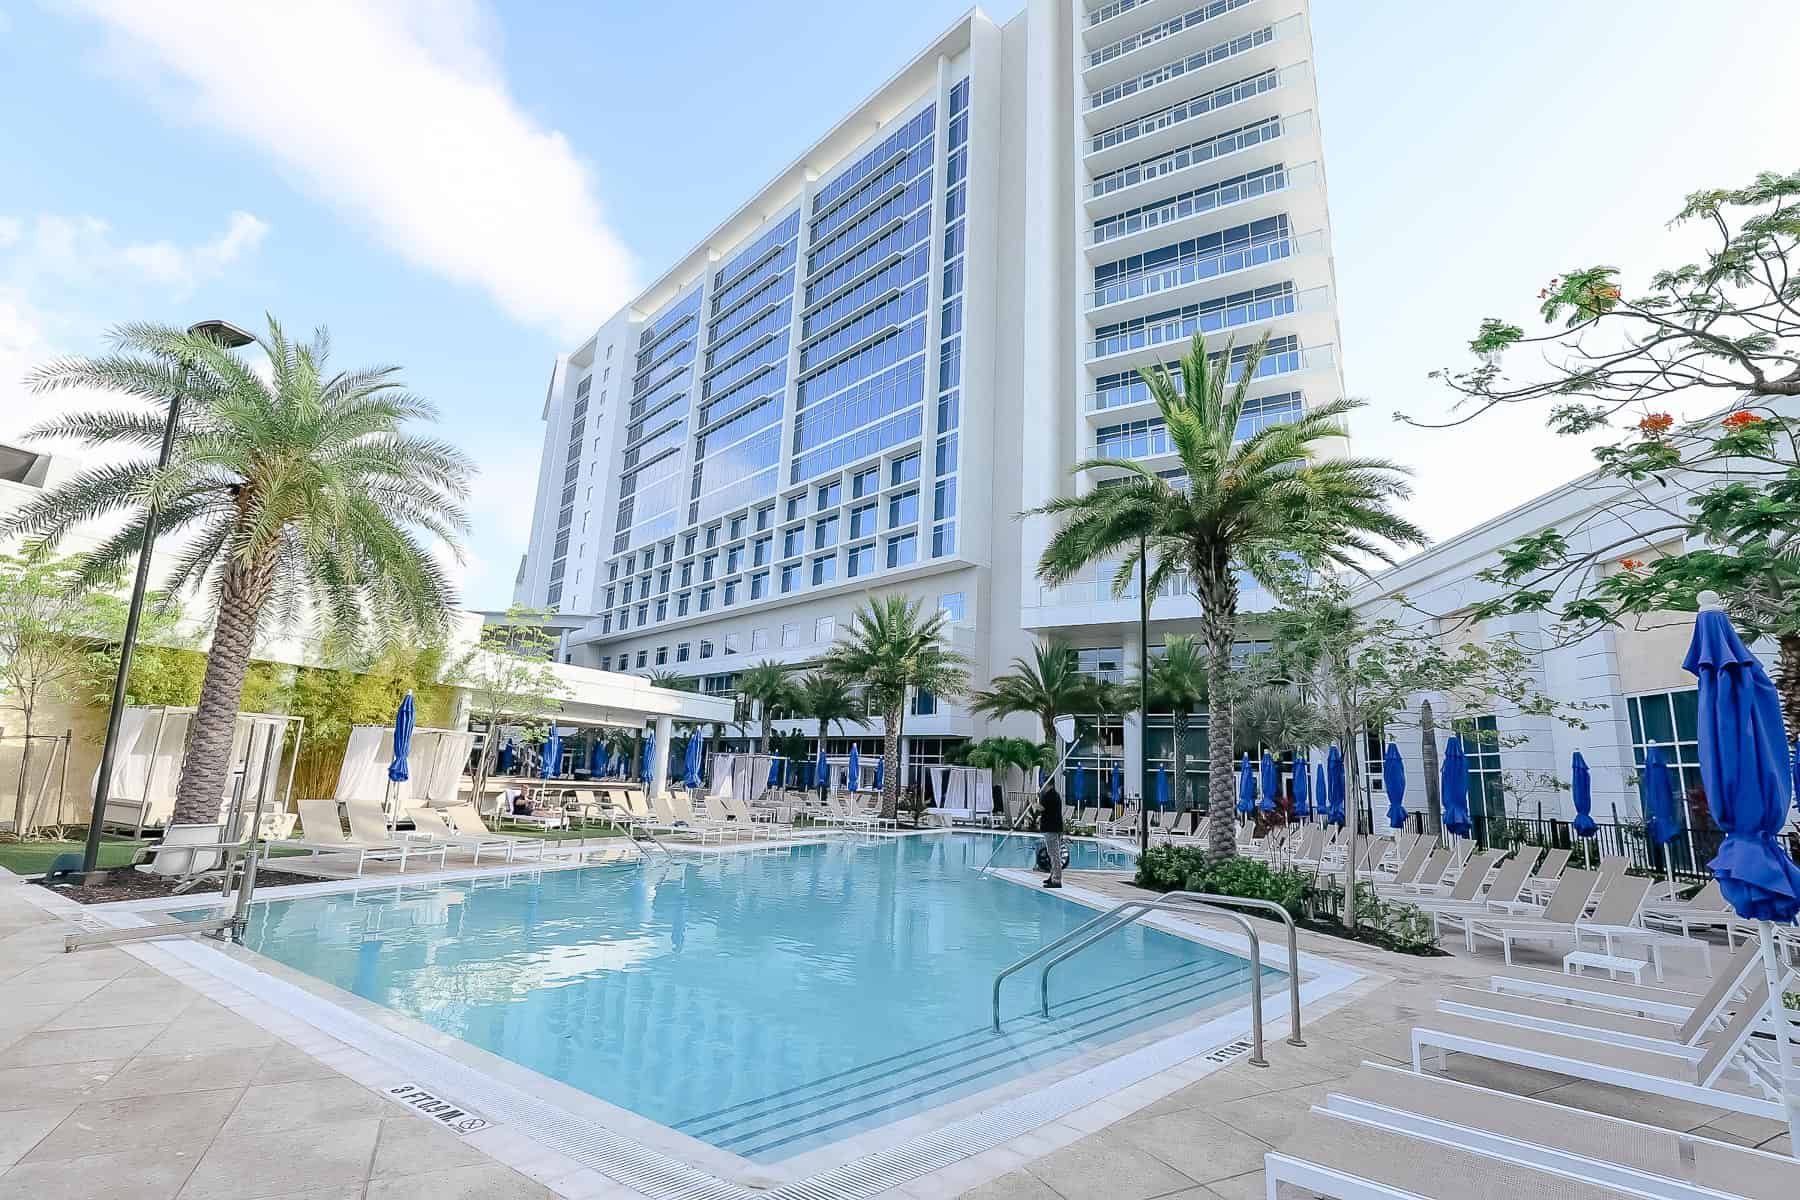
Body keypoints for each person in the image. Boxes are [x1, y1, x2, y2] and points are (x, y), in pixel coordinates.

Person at [1039, 782, 1065, 889]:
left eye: (1044, 784)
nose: (1042, 786)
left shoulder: (1050, 796)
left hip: (1051, 829)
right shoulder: (1054, 795)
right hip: (1054, 828)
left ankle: (1056, 879)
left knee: (1054, 854)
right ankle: (1053, 876)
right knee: (1053, 854)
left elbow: (1041, 809)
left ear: (1048, 784)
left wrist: (1033, 803)